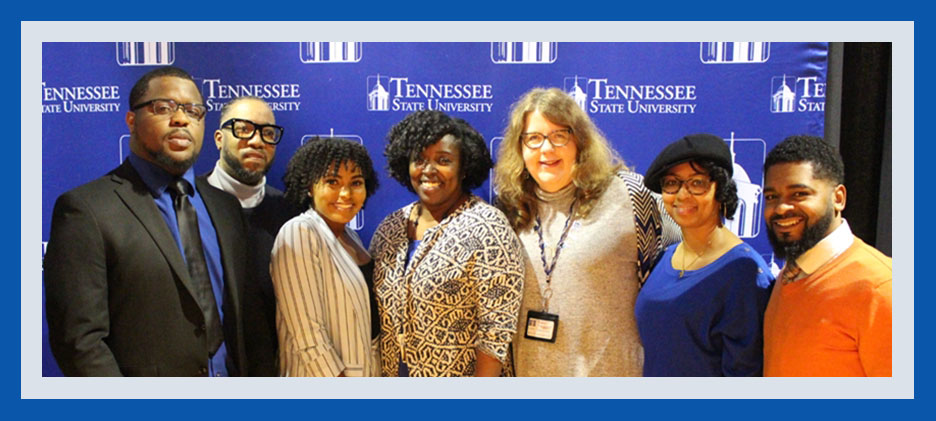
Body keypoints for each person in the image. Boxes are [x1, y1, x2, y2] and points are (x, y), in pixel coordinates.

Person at [44, 66, 249, 376]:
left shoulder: (225, 206)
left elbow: (245, 322)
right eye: (163, 107)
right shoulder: (85, 210)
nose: (181, 119)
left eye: (193, 111)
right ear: (131, 120)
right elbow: (80, 342)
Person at [494, 87, 679, 377]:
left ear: (579, 141)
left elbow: (691, 261)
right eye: (534, 138)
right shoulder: (509, 210)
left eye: (559, 135)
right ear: (520, 148)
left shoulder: (630, 195)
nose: (546, 149)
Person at [370, 110, 524, 377]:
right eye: (419, 160)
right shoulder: (390, 228)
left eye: (443, 160)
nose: (429, 170)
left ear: (463, 168)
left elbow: (496, 331)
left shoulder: (488, 226)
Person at [635, 134, 774, 376]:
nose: (682, 195)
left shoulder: (744, 272)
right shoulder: (665, 257)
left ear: (721, 190)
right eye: (672, 183)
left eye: (697, 183)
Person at [762, 135, 892, 377]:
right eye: (771, 197)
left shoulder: (880, 287)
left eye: (799, 194)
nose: (781, 208)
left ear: (838, 198)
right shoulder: (789, 276)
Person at [204, 96, 299, 376]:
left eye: (268, 133)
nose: (257, 141)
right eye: (243, 129)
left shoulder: (293, 214)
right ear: (219, 138)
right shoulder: (186, 204)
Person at [271, 137, 380, 377]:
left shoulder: (352, 237)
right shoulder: (299, 232)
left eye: (356, 182)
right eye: (332, 182)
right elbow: (309, 337)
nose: (346, 193)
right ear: (310, 186)